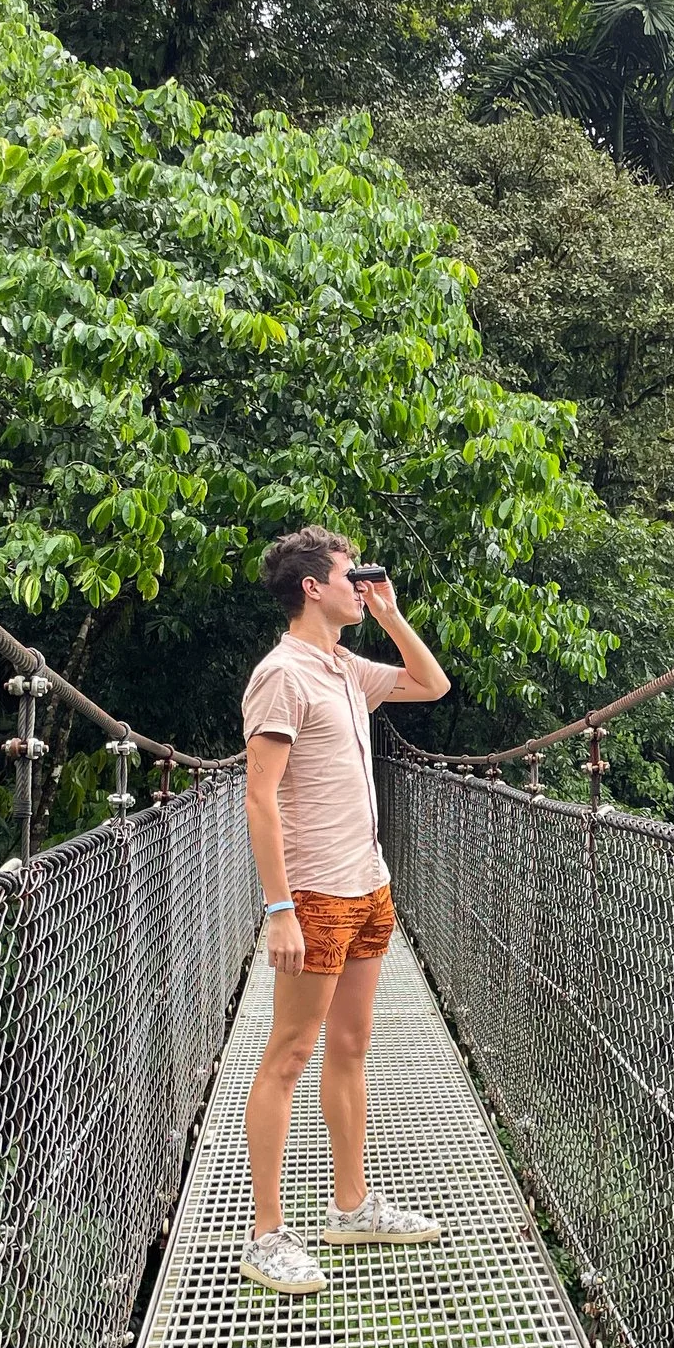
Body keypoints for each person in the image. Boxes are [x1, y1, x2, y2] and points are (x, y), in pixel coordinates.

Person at [237, 526, 451, 1294]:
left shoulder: (343, 667)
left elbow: (432, 685)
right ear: (310, 587)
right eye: (346, 573)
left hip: (369, 885)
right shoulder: (282, 673)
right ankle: (266, 1233)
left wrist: (391, 614)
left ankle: (350, 1204)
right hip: (317, 893)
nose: (357, 582)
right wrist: (279, 907)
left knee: (352, 1045)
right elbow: (259, 796)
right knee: (290, 1053)